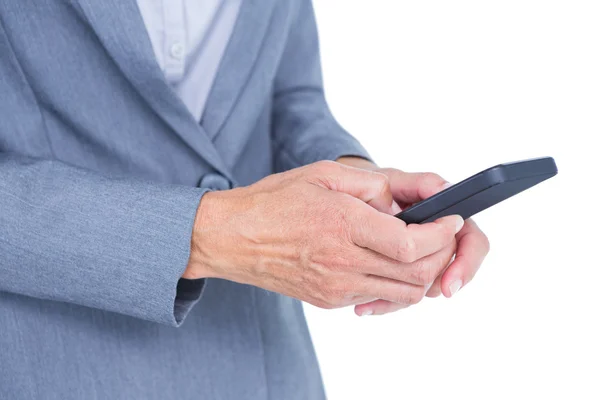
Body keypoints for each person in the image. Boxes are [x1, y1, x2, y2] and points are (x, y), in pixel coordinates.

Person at [0, 0, 490, 399]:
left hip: (268, 369)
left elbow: (287, 98)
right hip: (55, 368)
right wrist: (214, 233)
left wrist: (360, 186)